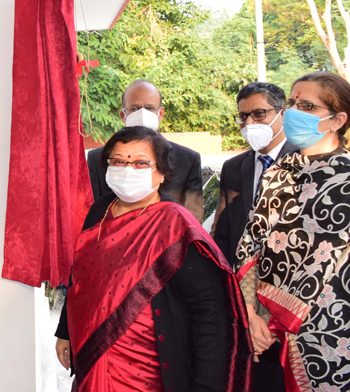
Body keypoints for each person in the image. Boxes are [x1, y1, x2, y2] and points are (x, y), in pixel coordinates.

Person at [55, 126, 251, 392]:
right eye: (118, 161)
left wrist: (206, 385)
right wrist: (65, 331)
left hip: (147, 370)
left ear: (160, 173)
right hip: (93, 356)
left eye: (140, 163)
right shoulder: (100, 209)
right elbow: (82, 275)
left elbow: (210, 311)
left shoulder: (175, 225)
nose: (127, 169)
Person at [236, 72, 350, 391]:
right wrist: (250, 315)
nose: (293, 113)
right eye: (292, 103)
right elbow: (250, 250)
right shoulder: (278, 175)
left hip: (335, 335)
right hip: (270, 334)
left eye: (307, 106)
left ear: (336, 120)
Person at [211, 82, 296, 392]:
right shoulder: (234, 168)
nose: (249, 124)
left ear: (283, 114)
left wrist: (274, 318)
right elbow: (223, 237)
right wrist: (242, 306)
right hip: (245, 304)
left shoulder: (307, 160)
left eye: (259, 114)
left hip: (293, 306)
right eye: (243, 117)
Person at [87, 80, 204, 220]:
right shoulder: (96, 158)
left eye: (149, 108)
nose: (142, 113)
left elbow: (192, 221)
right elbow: (90, 210)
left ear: (160, 114)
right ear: (123, 115)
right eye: (135, 108)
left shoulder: (187, 160)